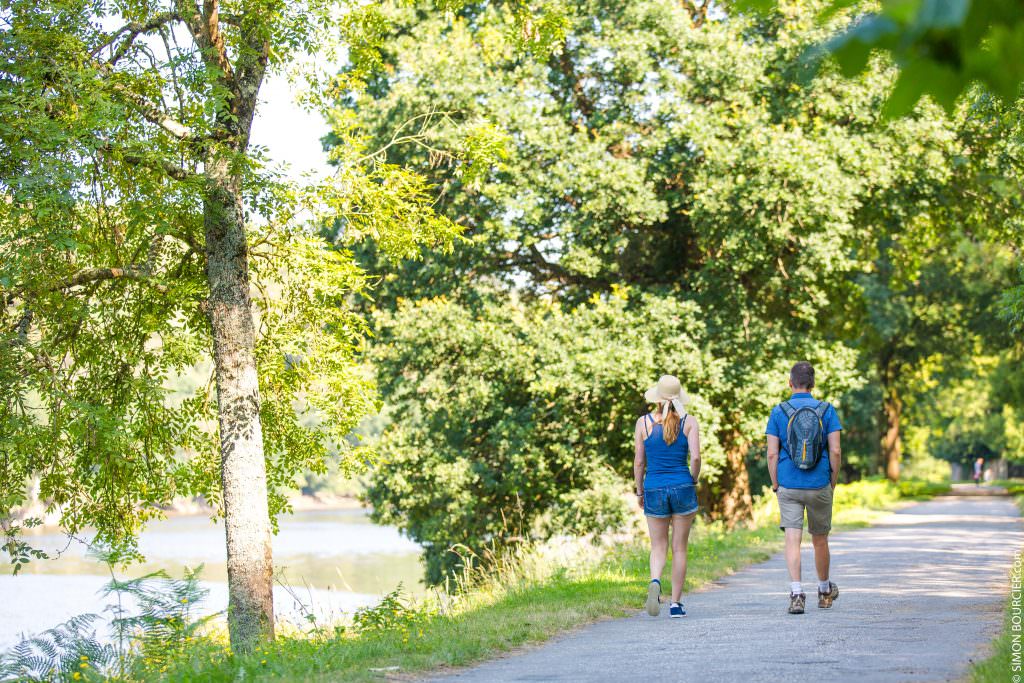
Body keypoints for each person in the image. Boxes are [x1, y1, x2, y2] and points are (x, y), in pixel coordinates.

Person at [766, 361, 842, 615]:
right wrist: (832, 481)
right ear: (813, 384)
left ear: (790, 383)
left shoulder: (779, 411)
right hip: (819, 482)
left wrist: (776, 483)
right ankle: (823, 591)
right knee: (820, 540)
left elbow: (772, 454)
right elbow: (835, 450)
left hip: (788, 483)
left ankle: (797, 594)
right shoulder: (826, 410)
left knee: (792, 541)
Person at [634, 375, 701, 619]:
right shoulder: (689, 421)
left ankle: (654, 580)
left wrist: (639, 490)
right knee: (679, 548)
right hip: (682, 485)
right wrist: (693, 479)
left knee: (658, 545)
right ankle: (675, 604)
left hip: (654, 487)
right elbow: (695, 458)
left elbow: (640, 461)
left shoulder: (643, 423)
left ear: (657, 398)